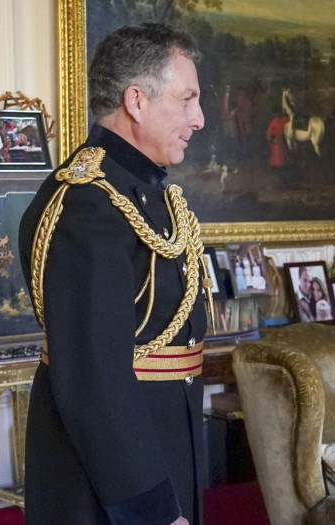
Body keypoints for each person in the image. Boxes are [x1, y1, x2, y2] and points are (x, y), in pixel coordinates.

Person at [18, 22, 210, 525]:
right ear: (137, 101)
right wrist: (152, 508)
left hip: (164, 439)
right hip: (109, 479)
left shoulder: (148, 195)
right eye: (187, 99)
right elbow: (95, 379)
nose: (200, 118)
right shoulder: (88, 204)